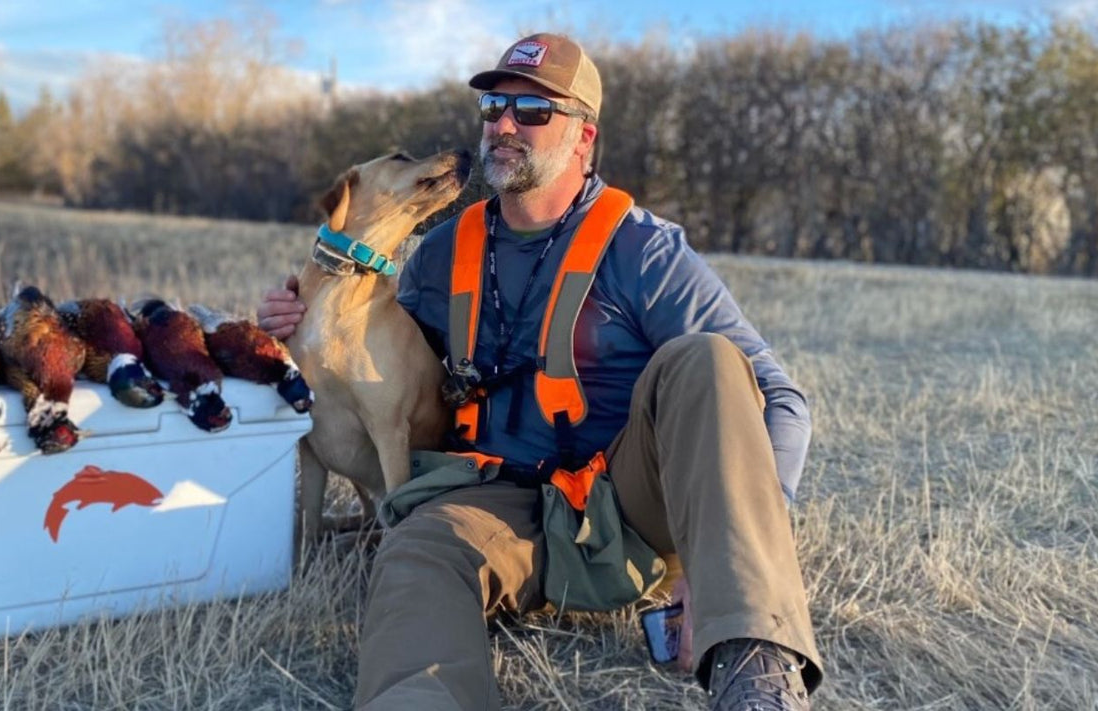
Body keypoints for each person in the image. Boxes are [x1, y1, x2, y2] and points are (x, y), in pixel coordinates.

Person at [259, 32, 823, 711]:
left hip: (625, 510)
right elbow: (381, 361)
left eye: (532, 111)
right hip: (490, 502)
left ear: (583, 139)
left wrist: (733, 552)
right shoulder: (439, 254)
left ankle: (756, 678)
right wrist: (300, 321)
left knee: (707, 360)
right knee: (412, 553)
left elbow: (782, 401)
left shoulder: (647, 252)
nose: (502, 123)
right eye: (495, 105)